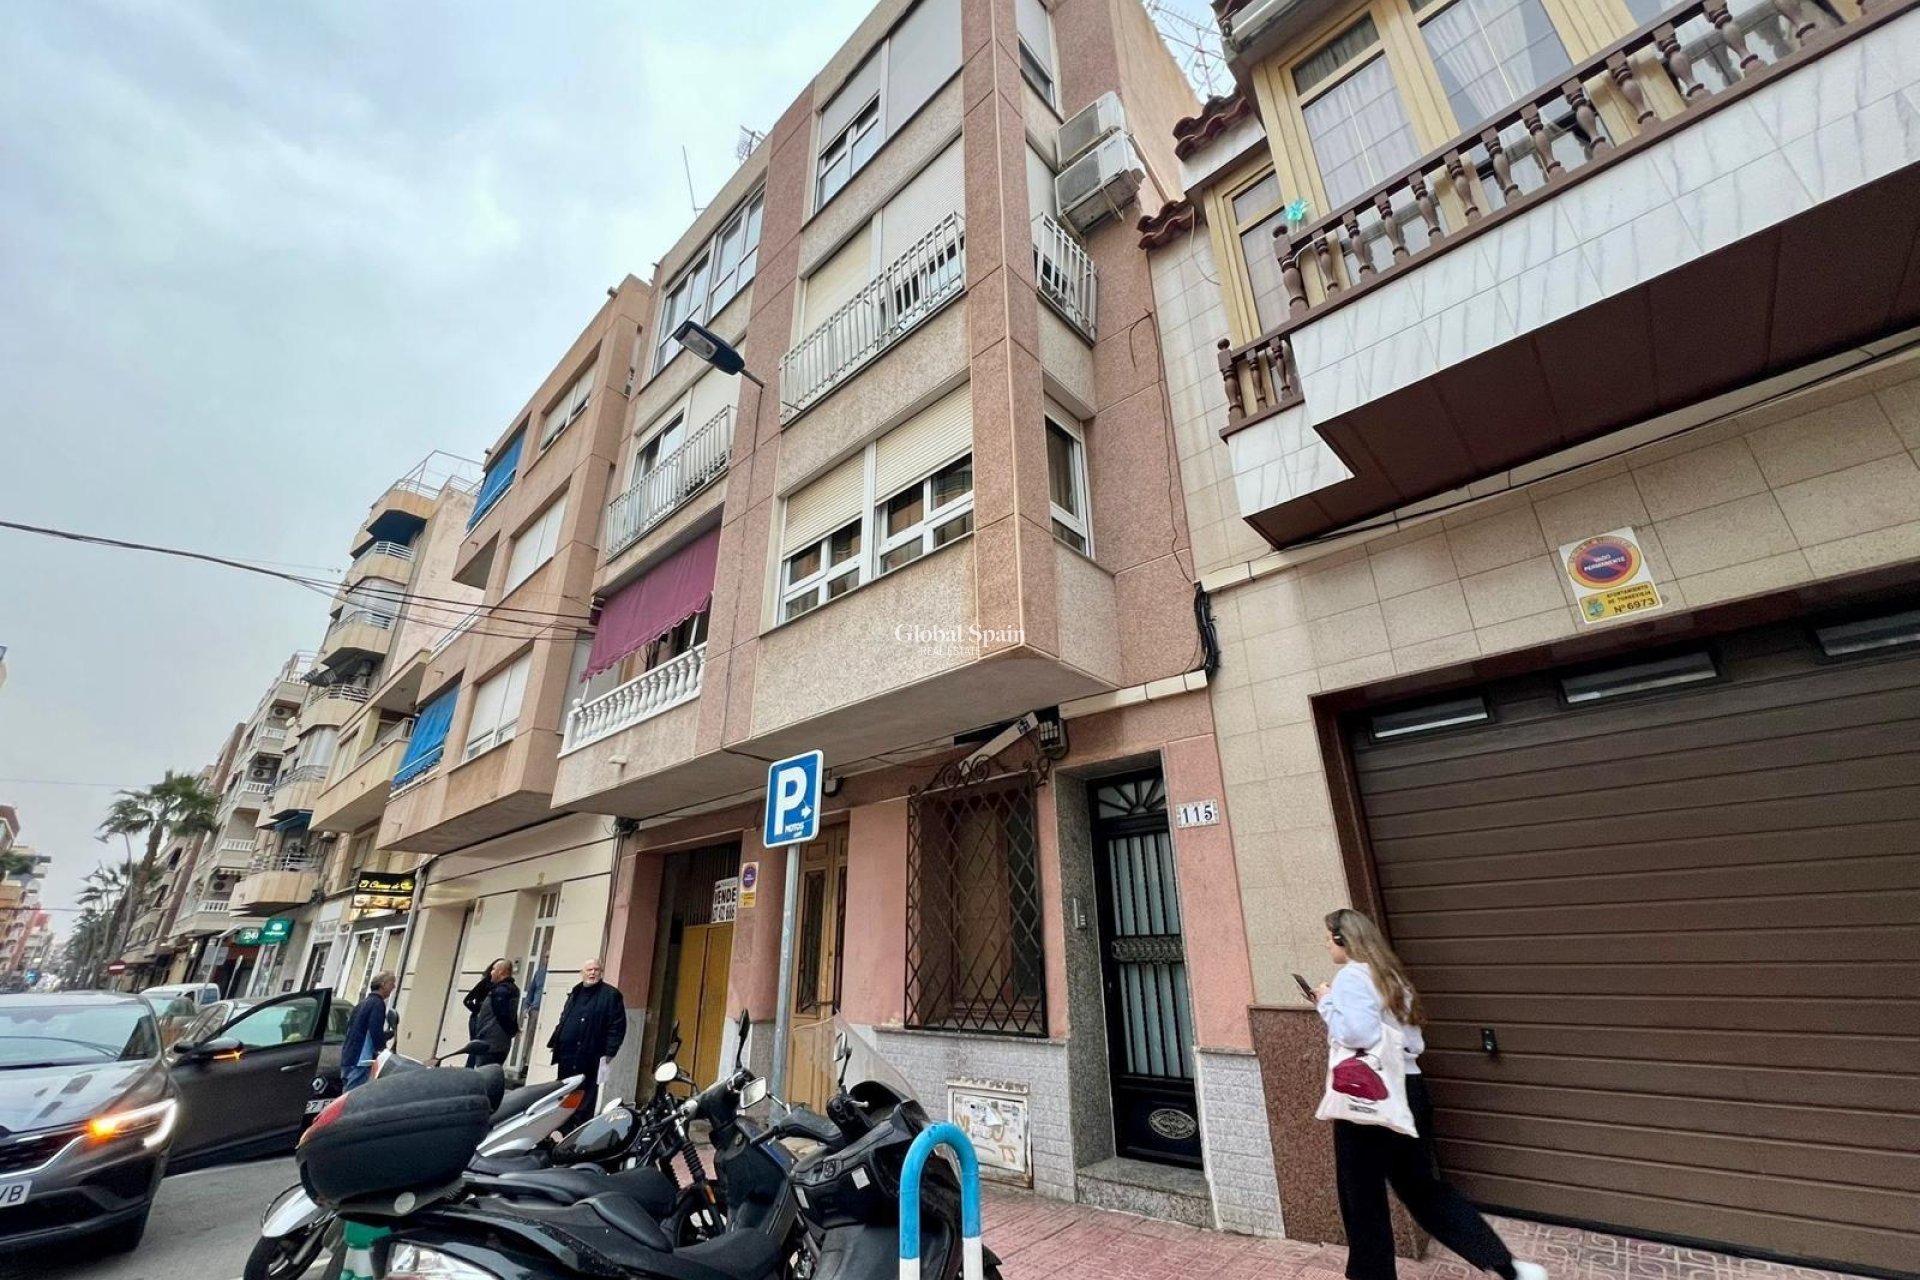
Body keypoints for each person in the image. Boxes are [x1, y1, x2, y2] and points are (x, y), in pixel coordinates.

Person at [1313, 909, 1546, 1280]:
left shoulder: (1352, 976)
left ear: (1344, 939)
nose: (1326, 944)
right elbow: (1413, 1042)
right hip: (1410, 1089)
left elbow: (1357, 1034)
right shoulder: (1391, 977)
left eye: (1328, 937)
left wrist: (1325, 1001)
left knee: (1361, 1196)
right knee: (1423, 1190)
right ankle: (1511, 1268)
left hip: (1369, 1098)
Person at [545, 958, 627, 1127]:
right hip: (567, 1055)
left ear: (601, 972)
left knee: (585, 1096)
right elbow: (564, 1017)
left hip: (591, 1055)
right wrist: (557, 1041)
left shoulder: (611, 995)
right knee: (566, 1093)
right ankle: (563, 1127)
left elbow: (617, 1027)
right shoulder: (575, 992)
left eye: (596, 970)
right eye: (589, 970)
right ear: (582, 973)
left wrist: (609, 1053)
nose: (593, 973)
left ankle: (579, 1128)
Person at [341, 972, 396, 1091]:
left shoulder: (362, 1003)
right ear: (383, 984)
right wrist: (382, 1050)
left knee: (347, 1092)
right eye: (391, 983)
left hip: (349, 1055)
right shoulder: (377, 1004)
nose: (394, 987)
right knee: (354, 1095)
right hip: (362, 1058)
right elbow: (375, 1030)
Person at [463, 958, 521, 1068]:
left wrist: (482, 1030)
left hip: (490, 1042)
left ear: (501, 972)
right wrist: (512, 1030)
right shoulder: (511, 990)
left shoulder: (500, 991)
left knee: (482, 1070)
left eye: (493, 969)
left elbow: (502, 1015)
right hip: (500, 1043)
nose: (491, 972)